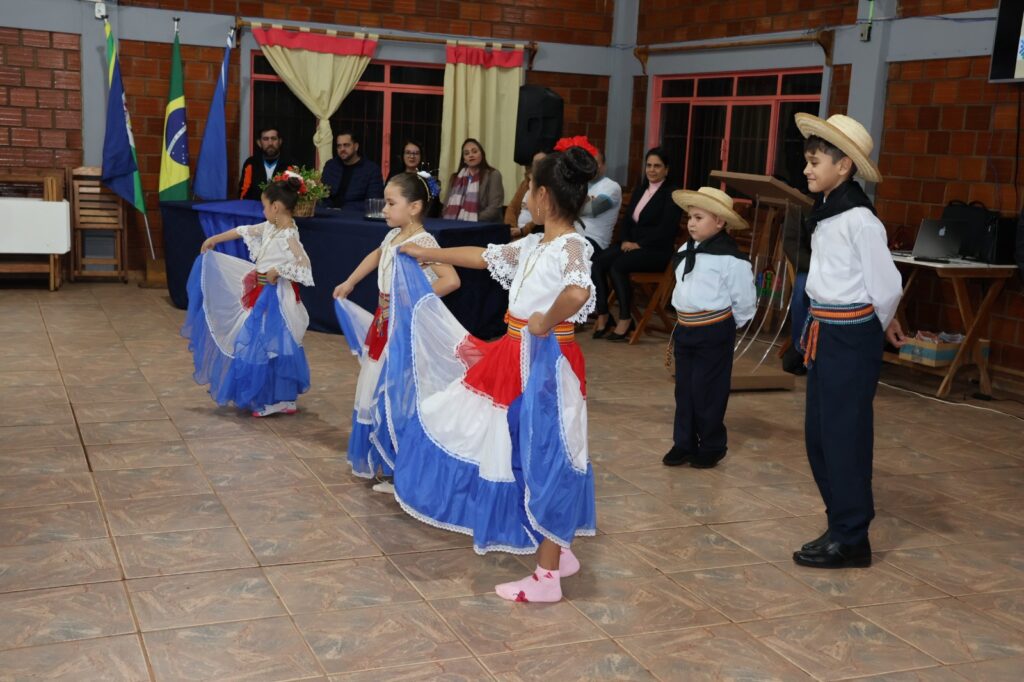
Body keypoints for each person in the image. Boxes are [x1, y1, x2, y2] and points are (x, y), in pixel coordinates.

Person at [391, 143, 599, 603]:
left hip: (546, 363)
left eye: (528, 189)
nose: (524, 196)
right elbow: (483, 256)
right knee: (512, 443)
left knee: (547, 453)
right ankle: (558, 549)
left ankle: (547, 579)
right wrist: (426, 252)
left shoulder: (571, 245)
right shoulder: (533, 244)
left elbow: (578, 291)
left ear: (545, 196)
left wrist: (545, 320)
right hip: (514, 355)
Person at [790, 113, 906, 569]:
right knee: (820, 436)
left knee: (845, 436)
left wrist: (873, 328)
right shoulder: (830, 213)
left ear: (844, 166)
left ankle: (852, 535)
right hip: (826, 332)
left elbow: (887, 286)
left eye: (815, 161)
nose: (807, 169)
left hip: (850, 336)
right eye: (807, 161)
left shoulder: (860, 220)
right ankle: (839, 523)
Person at [334, 172, 459, 493]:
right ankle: (389, 462)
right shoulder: (393, 237)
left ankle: (401, 467)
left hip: (403, 327)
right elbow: (377, 256)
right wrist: (350, 281)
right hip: (384, 322)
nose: (385, 209)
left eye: (391, 203)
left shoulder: (423, 242)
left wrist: (413, 299)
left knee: (397, 391)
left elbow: (450, 279)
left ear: (415, 207)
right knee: (377, 386)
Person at [183, 175, 314, 417]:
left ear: (275, 207)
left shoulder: (289, 235)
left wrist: (279, 270)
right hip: (262, 293)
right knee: (265, 344)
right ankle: (279, 397)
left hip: (276, 300)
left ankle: (273, 398)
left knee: (269, 345)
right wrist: (214, 239)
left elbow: (304, 266)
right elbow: (243, 230)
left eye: (264, 206)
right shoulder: (271, 227)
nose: (262, 210)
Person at [662, 187, 755, 469]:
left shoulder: (731, 259)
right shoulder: (684, 249)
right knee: (685, 389)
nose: (691, 223)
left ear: (719, 222)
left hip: (714, 329)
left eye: (699, 217)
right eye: (690, 217)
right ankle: (684, 443)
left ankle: (712, 444)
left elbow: (745, 299)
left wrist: (727, 325)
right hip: (686, 329)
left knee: (708, 390)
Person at [591, 147, 681, 340]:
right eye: (649, 165)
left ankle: (625, 319)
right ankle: (603, 314)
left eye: (657, 166)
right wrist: (625, 240)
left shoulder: (671, 194)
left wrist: (639, 245)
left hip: (656, 251)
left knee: (617, 267)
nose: (652, 170)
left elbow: (666, 229)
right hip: (631, 246)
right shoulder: (640, 190)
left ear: (666, 169)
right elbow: (627, 222)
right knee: (597, 262)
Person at [442, 138, 504, 223]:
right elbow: (446, 207)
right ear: (464, 159)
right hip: (455, 224)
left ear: (482, 154)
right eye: (467, 153)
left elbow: (494, 208)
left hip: (484, 225)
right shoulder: (455, 178)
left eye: (474, 152)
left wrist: (470, 219)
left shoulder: (493, 175)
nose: (471, 155)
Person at [322, 131, 384, 208]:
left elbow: (373, 202)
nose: (342, 149)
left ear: (356, 146)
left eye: (346, 145)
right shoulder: (331, 165)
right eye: (339, 146)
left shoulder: (371, 170)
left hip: (355, 216)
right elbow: (322, 196)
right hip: (329, 213)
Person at [577, 148, 622, 254]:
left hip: (594, 241)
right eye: (589, 163)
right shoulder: (581, 184)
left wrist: (570, 207)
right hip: (573, 235)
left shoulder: (612, 187)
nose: (592, 167)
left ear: (604, 165)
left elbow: (591, 209)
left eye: (596, 163)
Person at [239, 127, 293, 200]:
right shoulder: (251, 163)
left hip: (281, 209)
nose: (270, 143)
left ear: (280, 141)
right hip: (255, 208)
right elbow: (243, 193)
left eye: (274, 138)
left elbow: (294, 193)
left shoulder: (290, 164)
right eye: (265, 139)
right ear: (259, 143)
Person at [505, 150, 547, 239]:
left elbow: (540, 213)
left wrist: (523, 230)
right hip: (517, 233)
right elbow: (512, 207)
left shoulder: (549, 187)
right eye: (536, 163)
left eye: (543, 162)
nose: (539, 165)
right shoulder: (525, 183)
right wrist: (512, 227)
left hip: (535, 233)